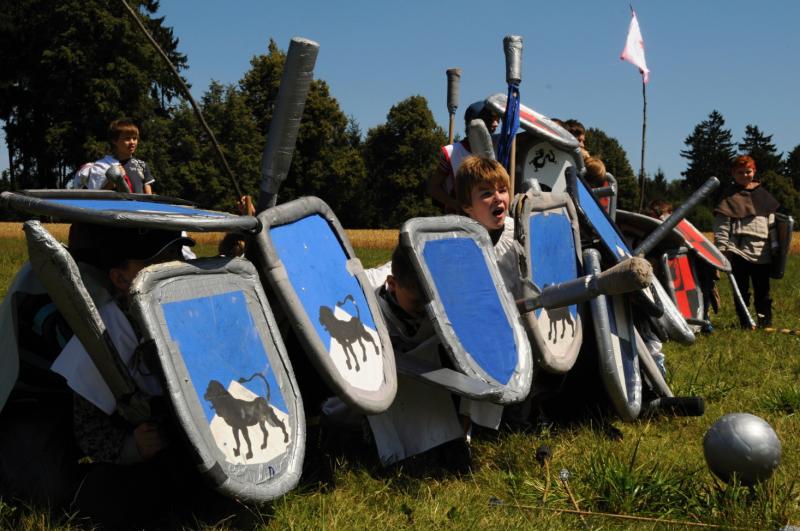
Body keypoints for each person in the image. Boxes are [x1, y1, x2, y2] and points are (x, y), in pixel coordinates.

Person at [364, 246, 467, 469]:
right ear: (392, 284)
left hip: (431, 379)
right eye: (417, 302)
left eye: (428, 302)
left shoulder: (438, 291)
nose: (425, 310)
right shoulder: (366, 294)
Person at [714, 155, 780, 328]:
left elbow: (773, 224)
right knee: (741, 291)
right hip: (738, 250)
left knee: (763, 291)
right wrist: (722, 248)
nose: (744, 175)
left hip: (762, 251)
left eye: (748, 172)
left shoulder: (763, 195)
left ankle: (765, 323)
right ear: (733, 174)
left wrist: (775, 246)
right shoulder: (728, 196)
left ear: (754, 172)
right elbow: (722, 225)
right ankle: (745, 323)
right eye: (740, 172)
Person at [428, 101, 500, 214]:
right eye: (491, 119)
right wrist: (454, 204)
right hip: (460, 219)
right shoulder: (451, 153)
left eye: (497, 120)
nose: (496, 124)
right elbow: (433, 188)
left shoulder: (499, 149)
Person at [74, 119, 155, 194]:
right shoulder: (103, 166)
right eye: (127, 139)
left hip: (138, 205)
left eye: (135, 138)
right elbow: (98, 196)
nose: (132, 142)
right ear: (114, 141)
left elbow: (148, 195)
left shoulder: (142, 165)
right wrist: (113, 181)